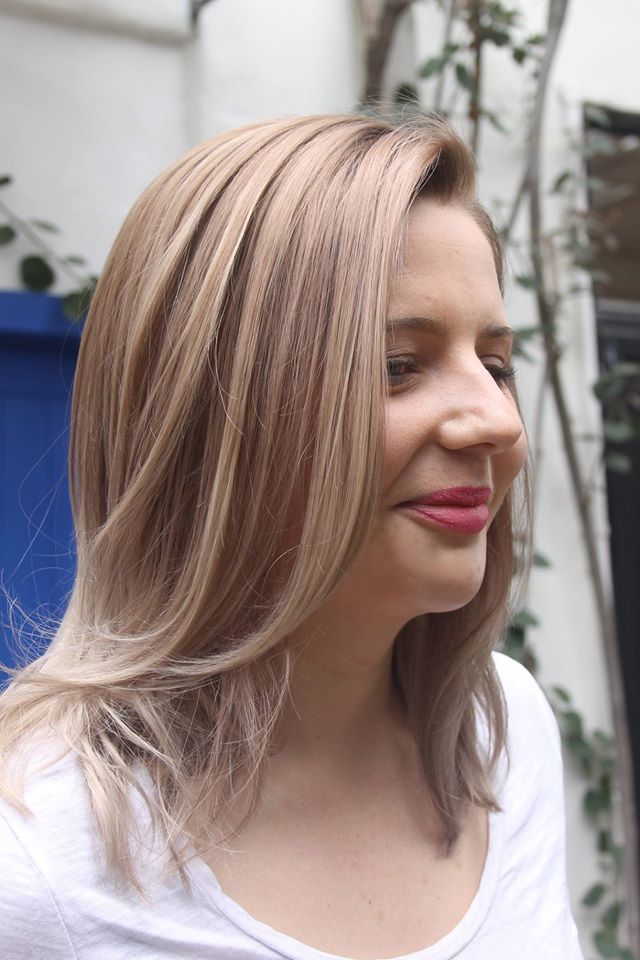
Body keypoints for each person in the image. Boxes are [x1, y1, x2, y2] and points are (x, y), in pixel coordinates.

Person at [0, 113, 584, 960]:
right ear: (207, 417)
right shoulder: (33, 859)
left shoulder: (505, 736)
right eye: (397, 365)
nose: (498, 421)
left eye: (495, 365)